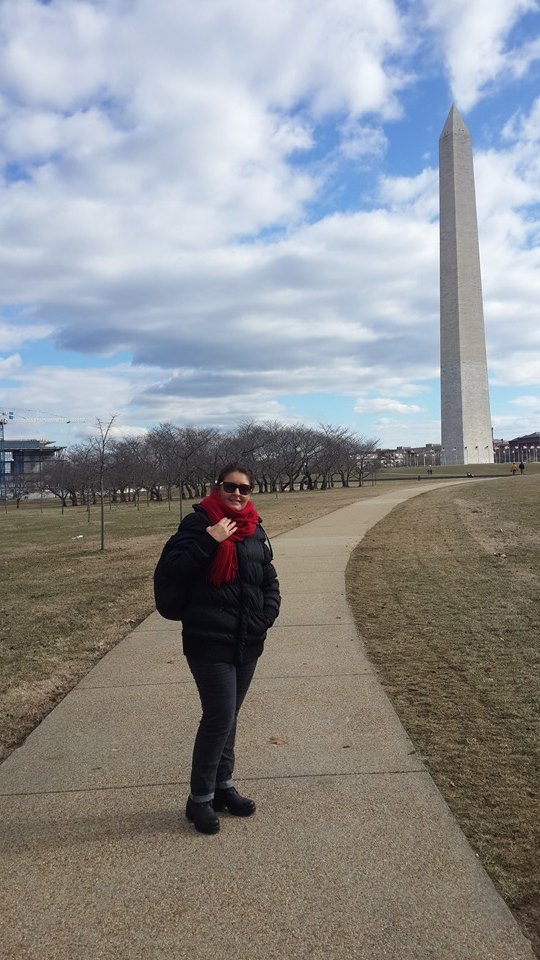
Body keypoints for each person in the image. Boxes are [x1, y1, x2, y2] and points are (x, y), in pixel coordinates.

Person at [156, 463, 281, 834]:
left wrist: (266, 616)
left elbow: (269, 581)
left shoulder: (254, 529)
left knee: (229, 717)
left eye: (244, 488)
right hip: (208, 641)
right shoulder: (198, 525)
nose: (237, 494)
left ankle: (223, 787)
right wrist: (210, 541)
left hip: (248, 640)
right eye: (230, 486)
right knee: (218, 717)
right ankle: (199, 799)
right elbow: (174, 571)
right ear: (218, 487)